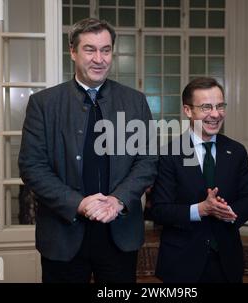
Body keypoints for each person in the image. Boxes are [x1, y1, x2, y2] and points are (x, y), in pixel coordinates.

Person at [18, 18, 158, 283]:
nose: (99, 58)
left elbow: (147, 161)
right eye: (90, 49)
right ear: (72, 51)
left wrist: (117, 201)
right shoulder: (43, 104)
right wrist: (78, 204)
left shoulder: (135, 101)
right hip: (63, 235)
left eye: (106, 50)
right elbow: (32, 167)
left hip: (120, 233)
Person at [151, 77, 248, 283]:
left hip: (227, 262)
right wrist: (201, 209)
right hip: (182, 262)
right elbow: (160, 210)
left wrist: (229, 213)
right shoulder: (169, 154)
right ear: (188, 111)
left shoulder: (236, 151)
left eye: (220, 106)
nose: (216, 114)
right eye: (206, 107)